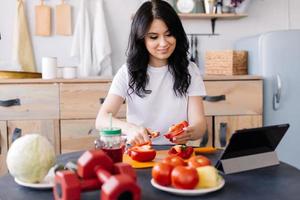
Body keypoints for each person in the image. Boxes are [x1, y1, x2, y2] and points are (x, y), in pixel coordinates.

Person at [96, 0, 207, 146]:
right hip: (139, 151)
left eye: (169, 34)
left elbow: (199, 124)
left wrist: (189, 132)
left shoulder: (190, 70)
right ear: (142, 39)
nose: (163, 43)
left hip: (176, 153)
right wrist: (130, 129)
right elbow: (102, 120)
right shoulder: (128, 71)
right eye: (154, 37)